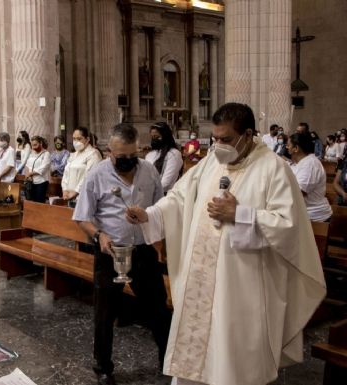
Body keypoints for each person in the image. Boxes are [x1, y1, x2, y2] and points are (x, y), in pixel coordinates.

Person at [125, 103, 325, 385]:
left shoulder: (274, 169)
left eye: (226, 139)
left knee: (232, 359)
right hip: (200, 280)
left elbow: (288, 225)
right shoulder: (210, 162)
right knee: (198, 353)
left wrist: (240, 214)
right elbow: (179, 198)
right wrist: (151, 214)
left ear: (248, 134)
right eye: (214, 139)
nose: (218, 146)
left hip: (242, 286)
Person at [73, 123, 171, 385]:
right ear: (108, 152)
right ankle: (103, 367)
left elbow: (161, 208)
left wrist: (158, 239)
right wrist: (99, 235)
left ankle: (168, 360)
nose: (128, 162)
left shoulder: (149, 171)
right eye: (121, 158)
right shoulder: (96, 175)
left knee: (159, 309)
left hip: (143, 251)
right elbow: (82, 217)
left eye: (132, 156)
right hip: (110, 252)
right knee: (105, 313)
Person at [286, 133, 333, 222]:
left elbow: (298, 193)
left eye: (288, 145)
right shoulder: (298, 162)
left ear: (296, 148)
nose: (286, 148)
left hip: (314, 216)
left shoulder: (310, 164)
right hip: (302, 214)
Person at [61, 127, 102, 207]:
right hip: (70, 196)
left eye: (79, 139)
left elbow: (89, 176)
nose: (76, 142)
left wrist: (76, 191)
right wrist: (65, 189)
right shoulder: (74, 154)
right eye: (74, 139)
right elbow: (66, 172)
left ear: (87, 139)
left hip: (84, 197)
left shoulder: (93, 154)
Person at [146, 122, 182, 194]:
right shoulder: (150, 154)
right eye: (152, 137)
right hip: (150, 193)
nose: (154, 140)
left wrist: (149, 192)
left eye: (157, 137)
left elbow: (167, 182)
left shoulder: (173, 154)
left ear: (165, 136)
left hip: (166, 195)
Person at [23, 136, 51, 203]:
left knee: (39, 203)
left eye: (35, 145)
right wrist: (27, 175)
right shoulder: (32, 153)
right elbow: (27, 165)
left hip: (41, 182)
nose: (33, 147)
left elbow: (42, 168)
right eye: (32, 145)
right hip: (31, 182)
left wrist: (30, 174)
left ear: (40, 143)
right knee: (32, 203)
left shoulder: (46, 154)